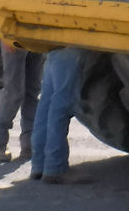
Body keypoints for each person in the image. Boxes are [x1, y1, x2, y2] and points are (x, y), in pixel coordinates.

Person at [29, 46, 86, 183]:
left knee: (47, 102)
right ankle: (55, 167)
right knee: (61, 102)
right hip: (71, 40)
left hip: (54, 43)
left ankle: (39, 164)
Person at [0, 41, 44, 163]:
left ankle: (29, 143)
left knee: (33, 91)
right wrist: (5, 37)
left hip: (37, 38)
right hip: (15, 36)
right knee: (14, 92)